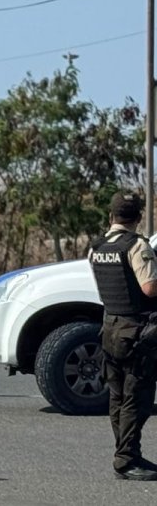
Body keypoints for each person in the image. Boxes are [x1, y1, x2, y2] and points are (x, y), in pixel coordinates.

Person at [90, 191, 157, 481]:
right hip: (136, 332)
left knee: (118, 397)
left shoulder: (97, 247)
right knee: (136, 398)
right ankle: (126, 460)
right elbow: (149, 288)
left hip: (110, 328)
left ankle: (128, 454)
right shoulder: (137, 245)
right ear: (139, 217)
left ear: (111, 216)